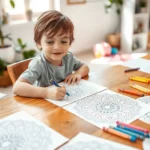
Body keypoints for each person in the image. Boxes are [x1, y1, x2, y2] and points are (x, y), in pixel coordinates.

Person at [13, 10, 89, 100]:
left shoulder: (68, 57)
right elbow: (17, 87)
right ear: (38, 44)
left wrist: (78, 73)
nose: (57, 47)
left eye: (64, 41)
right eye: (50, 42)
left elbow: (85, 67)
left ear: (70, 43)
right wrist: (46, 93)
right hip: (46, 105)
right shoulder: (38, 64)